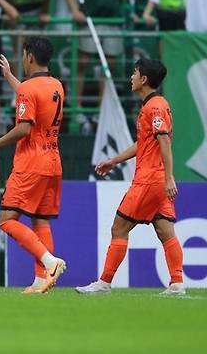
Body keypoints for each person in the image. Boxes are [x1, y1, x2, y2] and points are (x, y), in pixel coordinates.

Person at [76, 58, 184, 295]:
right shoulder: (155, 105)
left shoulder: (154, 107)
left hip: (149, 180)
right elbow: (145, 143)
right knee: (165, 231)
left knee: (119, 227)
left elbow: (164, 140)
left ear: (144, 79)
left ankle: (104, 283)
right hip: (156, 179)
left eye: (135, 73)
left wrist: (168, 177)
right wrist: (115, 160)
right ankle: (177, 283)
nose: (131, 77)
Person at [0, 38, 66, 294]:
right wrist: (10, 77)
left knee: (7, 221)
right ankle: (42, 279)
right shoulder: (56, 85)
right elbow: (33, 99)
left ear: (29, 56)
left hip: (31, 163)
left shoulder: (29, 89)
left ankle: (50, 262)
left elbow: (24, 127)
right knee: (41, 221)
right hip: (53, 161)